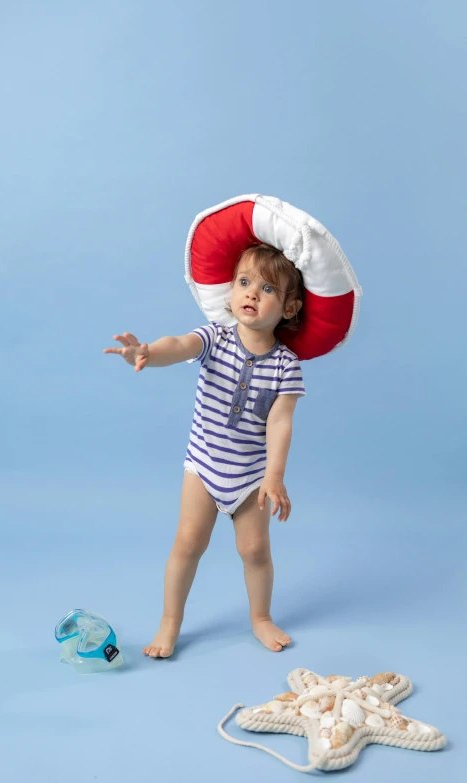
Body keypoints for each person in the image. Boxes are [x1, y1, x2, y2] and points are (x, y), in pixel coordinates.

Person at [103, 243, 306, 657]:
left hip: (251, 476)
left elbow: (281, 421)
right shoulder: (215, 336)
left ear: (288, 308)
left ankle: (261, 617)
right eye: (244, 283)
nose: (251, 293)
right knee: (189, 543)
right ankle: (170, 622)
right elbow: (178, 346)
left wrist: (274, 476)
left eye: (267, 289)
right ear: (230, 291)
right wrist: (146, 353)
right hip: (205, 466)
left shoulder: (286, 364)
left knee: (255, 550)